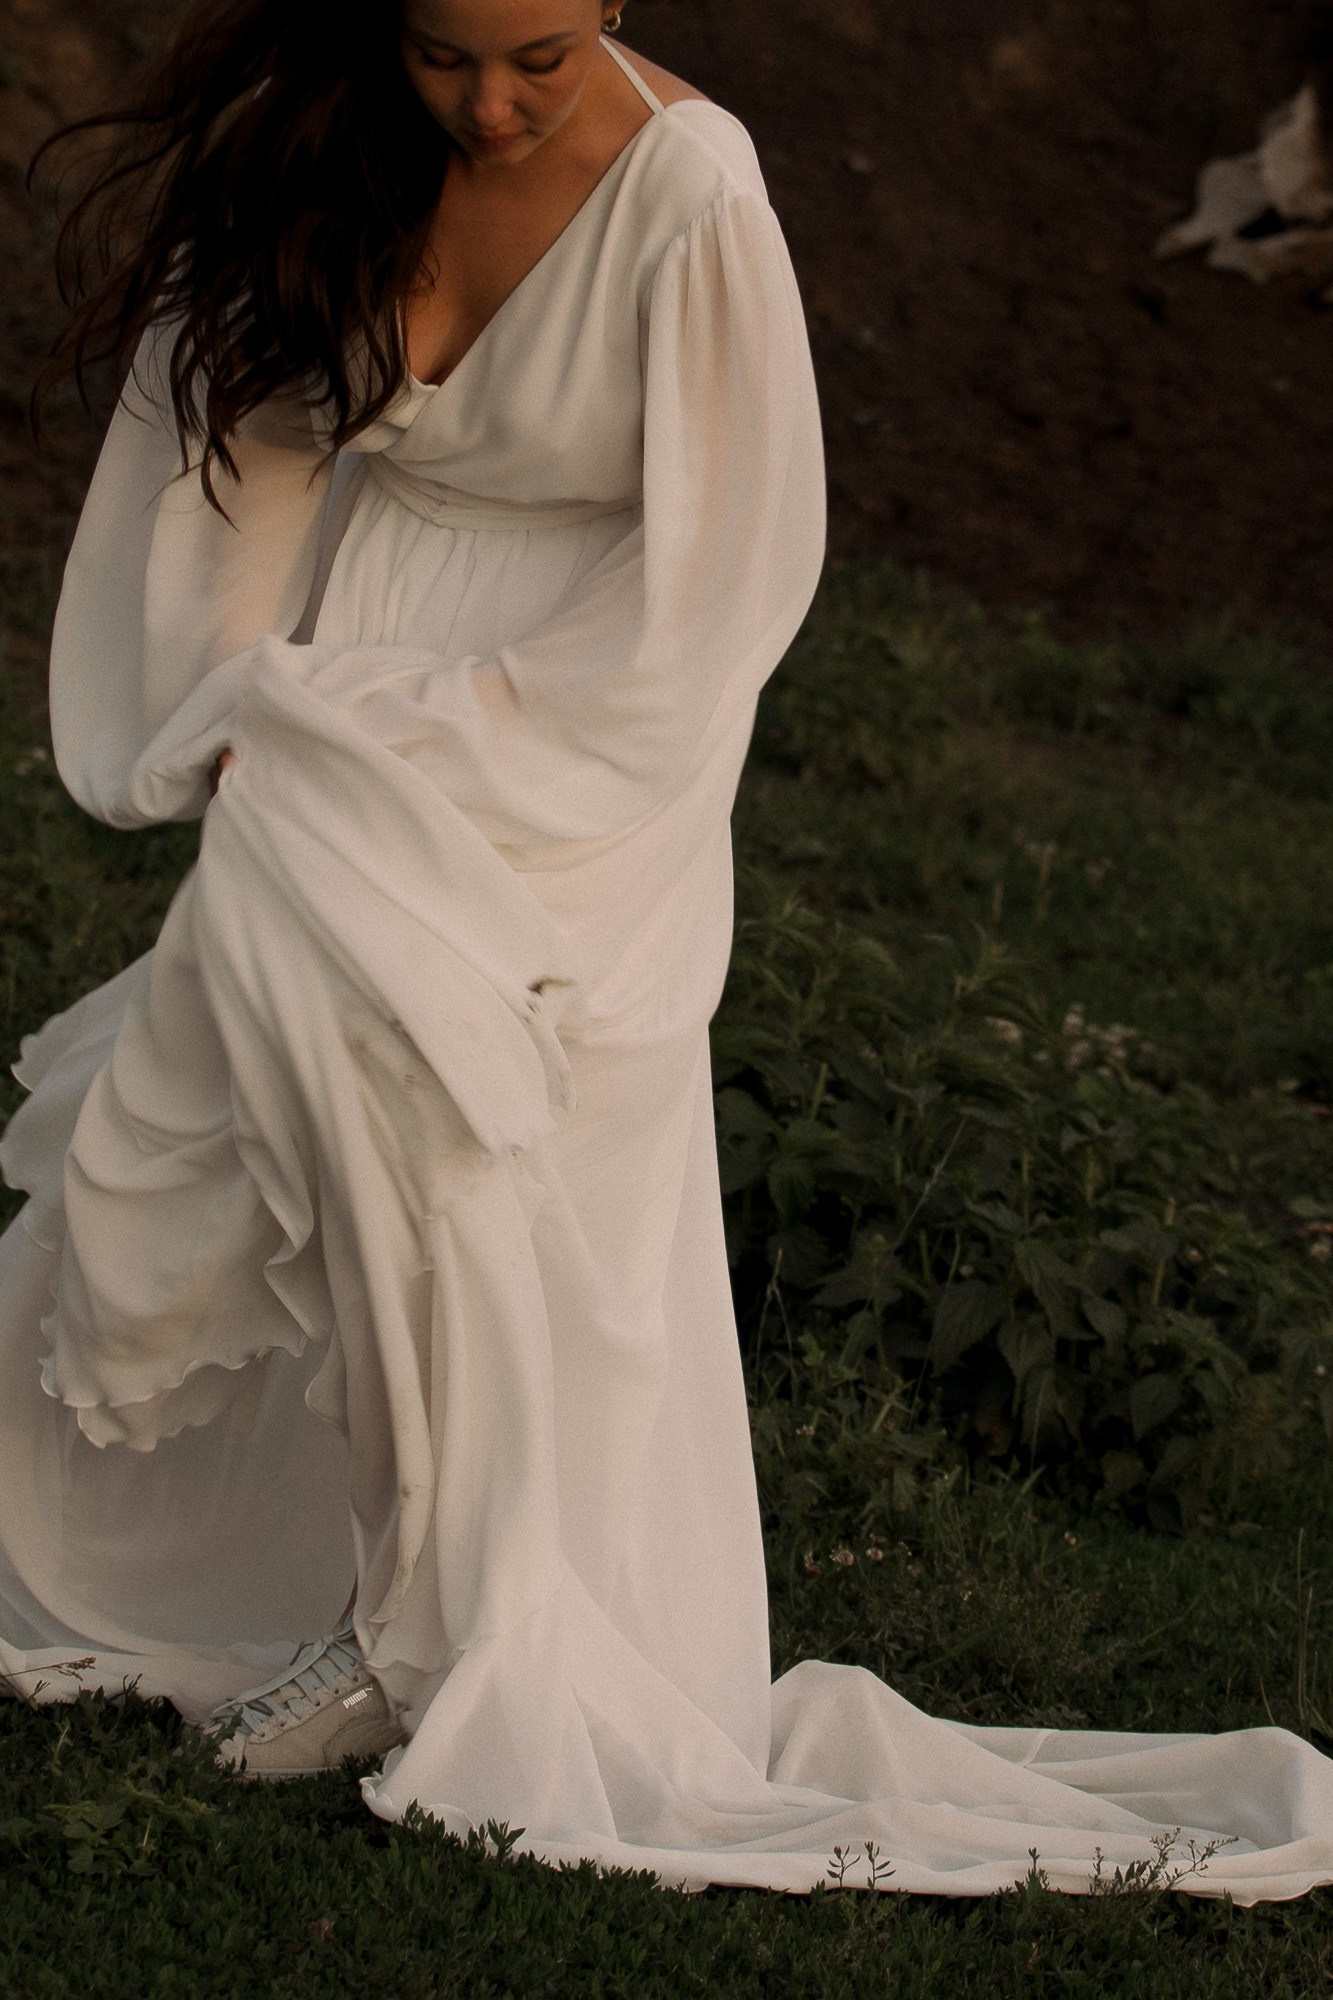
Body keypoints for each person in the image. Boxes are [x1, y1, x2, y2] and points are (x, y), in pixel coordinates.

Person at [2, 0, 1332, 1903]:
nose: (487, 102)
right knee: (292, 1109)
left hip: (586, 722)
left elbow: (727, 573)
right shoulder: (323, 136)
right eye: (442, 52)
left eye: (537, 57)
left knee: (486, 1171)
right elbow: (249, 430)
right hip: (340, 686)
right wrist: (228, 696)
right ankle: (301, 1582)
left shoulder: (689, 193)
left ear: (612, 1)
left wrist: (453, 737)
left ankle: (433, 1631)